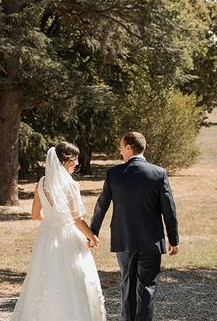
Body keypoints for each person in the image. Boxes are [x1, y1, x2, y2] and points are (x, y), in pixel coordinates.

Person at [10, 141, 107, 321]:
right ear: (65, 161)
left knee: (46, 277)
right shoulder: (70, 185)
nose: (77, 163)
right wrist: (92, 237)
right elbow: (77, 220)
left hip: (47, 237)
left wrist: (52, 220)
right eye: (75, 159)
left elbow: (35, 214)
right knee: (72, 278)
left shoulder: (41, 183)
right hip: (67, 237)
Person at [89, 131, 179, 321]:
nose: (120, 151)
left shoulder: (114, 173)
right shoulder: (158, 173)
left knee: (128, 285)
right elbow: (169, 209)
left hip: (124, 238)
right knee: (147, 287)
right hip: (151, 240)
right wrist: (173, 239)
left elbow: (101, 205)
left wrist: (93, 232)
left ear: (129, 147)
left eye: (121, 147)